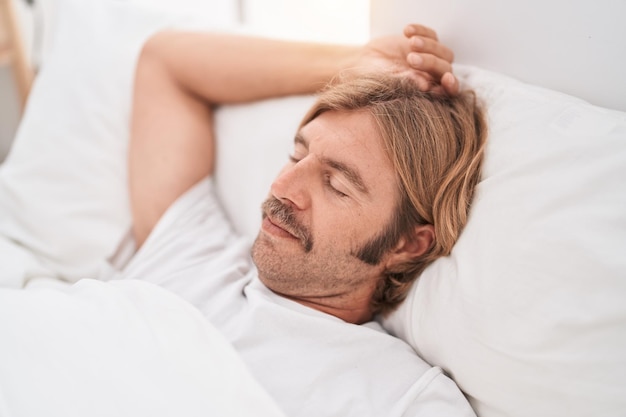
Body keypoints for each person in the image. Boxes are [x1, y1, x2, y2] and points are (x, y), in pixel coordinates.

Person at [121, 23, 486, 416]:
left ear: (407, 244)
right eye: (297, 156)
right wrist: (355, 62)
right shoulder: (189, 253)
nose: (282, 187)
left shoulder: (402, 399)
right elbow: (166, 62)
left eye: (336, 185)